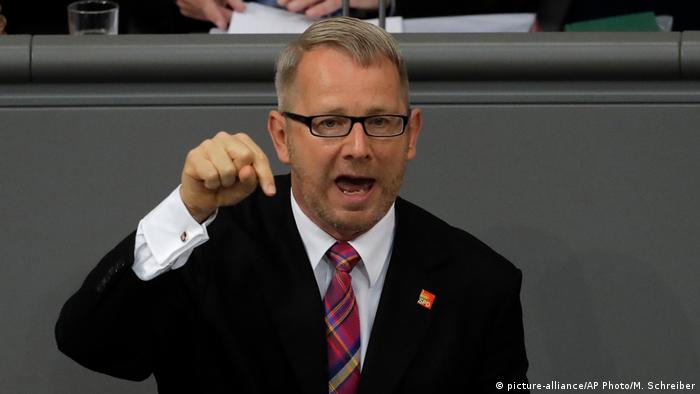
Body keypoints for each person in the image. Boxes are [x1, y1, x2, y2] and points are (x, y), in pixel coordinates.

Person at [55, 17, 529, 393]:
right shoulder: (208, 250)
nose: (359, 148)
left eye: (381, 121)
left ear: (412, 134)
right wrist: (184, 210)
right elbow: (91, 345)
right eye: (329, 122)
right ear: (282, 136)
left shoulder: (480, 284)